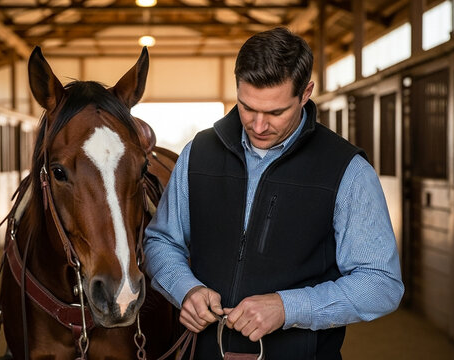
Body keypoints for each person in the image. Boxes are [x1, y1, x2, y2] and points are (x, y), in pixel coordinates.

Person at [143, 27, 404, 359]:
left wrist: (288, 307)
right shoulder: (198, 154)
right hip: (205, 351)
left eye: (276, 112)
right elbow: (160, 241)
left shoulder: (347, 170)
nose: (259, 125)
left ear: (306, 92)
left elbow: (381, 284)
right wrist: (186, 289)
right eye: (247, 107)